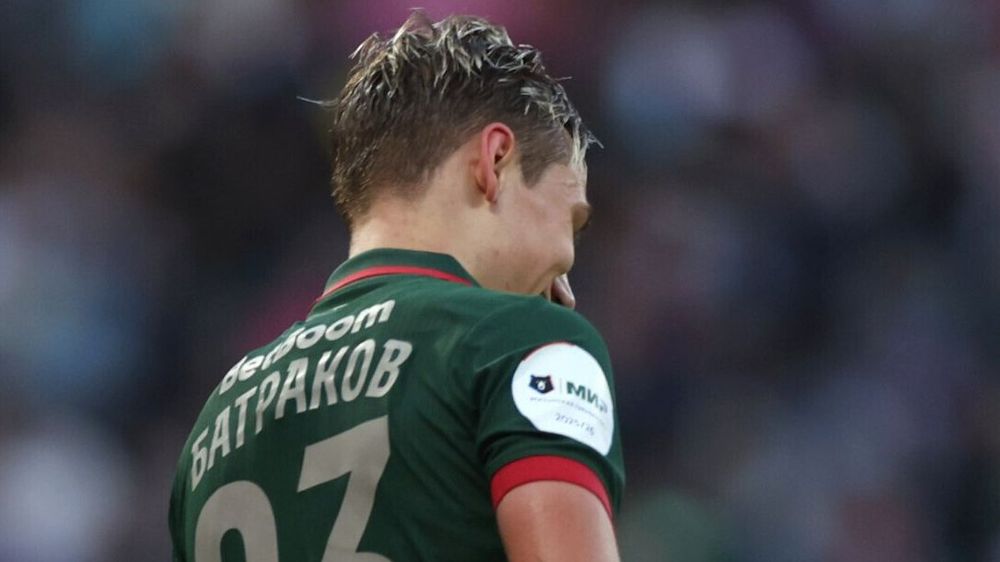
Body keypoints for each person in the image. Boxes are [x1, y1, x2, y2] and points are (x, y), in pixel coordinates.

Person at [169, 11, 624, 562]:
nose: (566, 277)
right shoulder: (520, 342)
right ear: (495, 160)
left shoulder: (213, 427)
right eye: (571, 221)